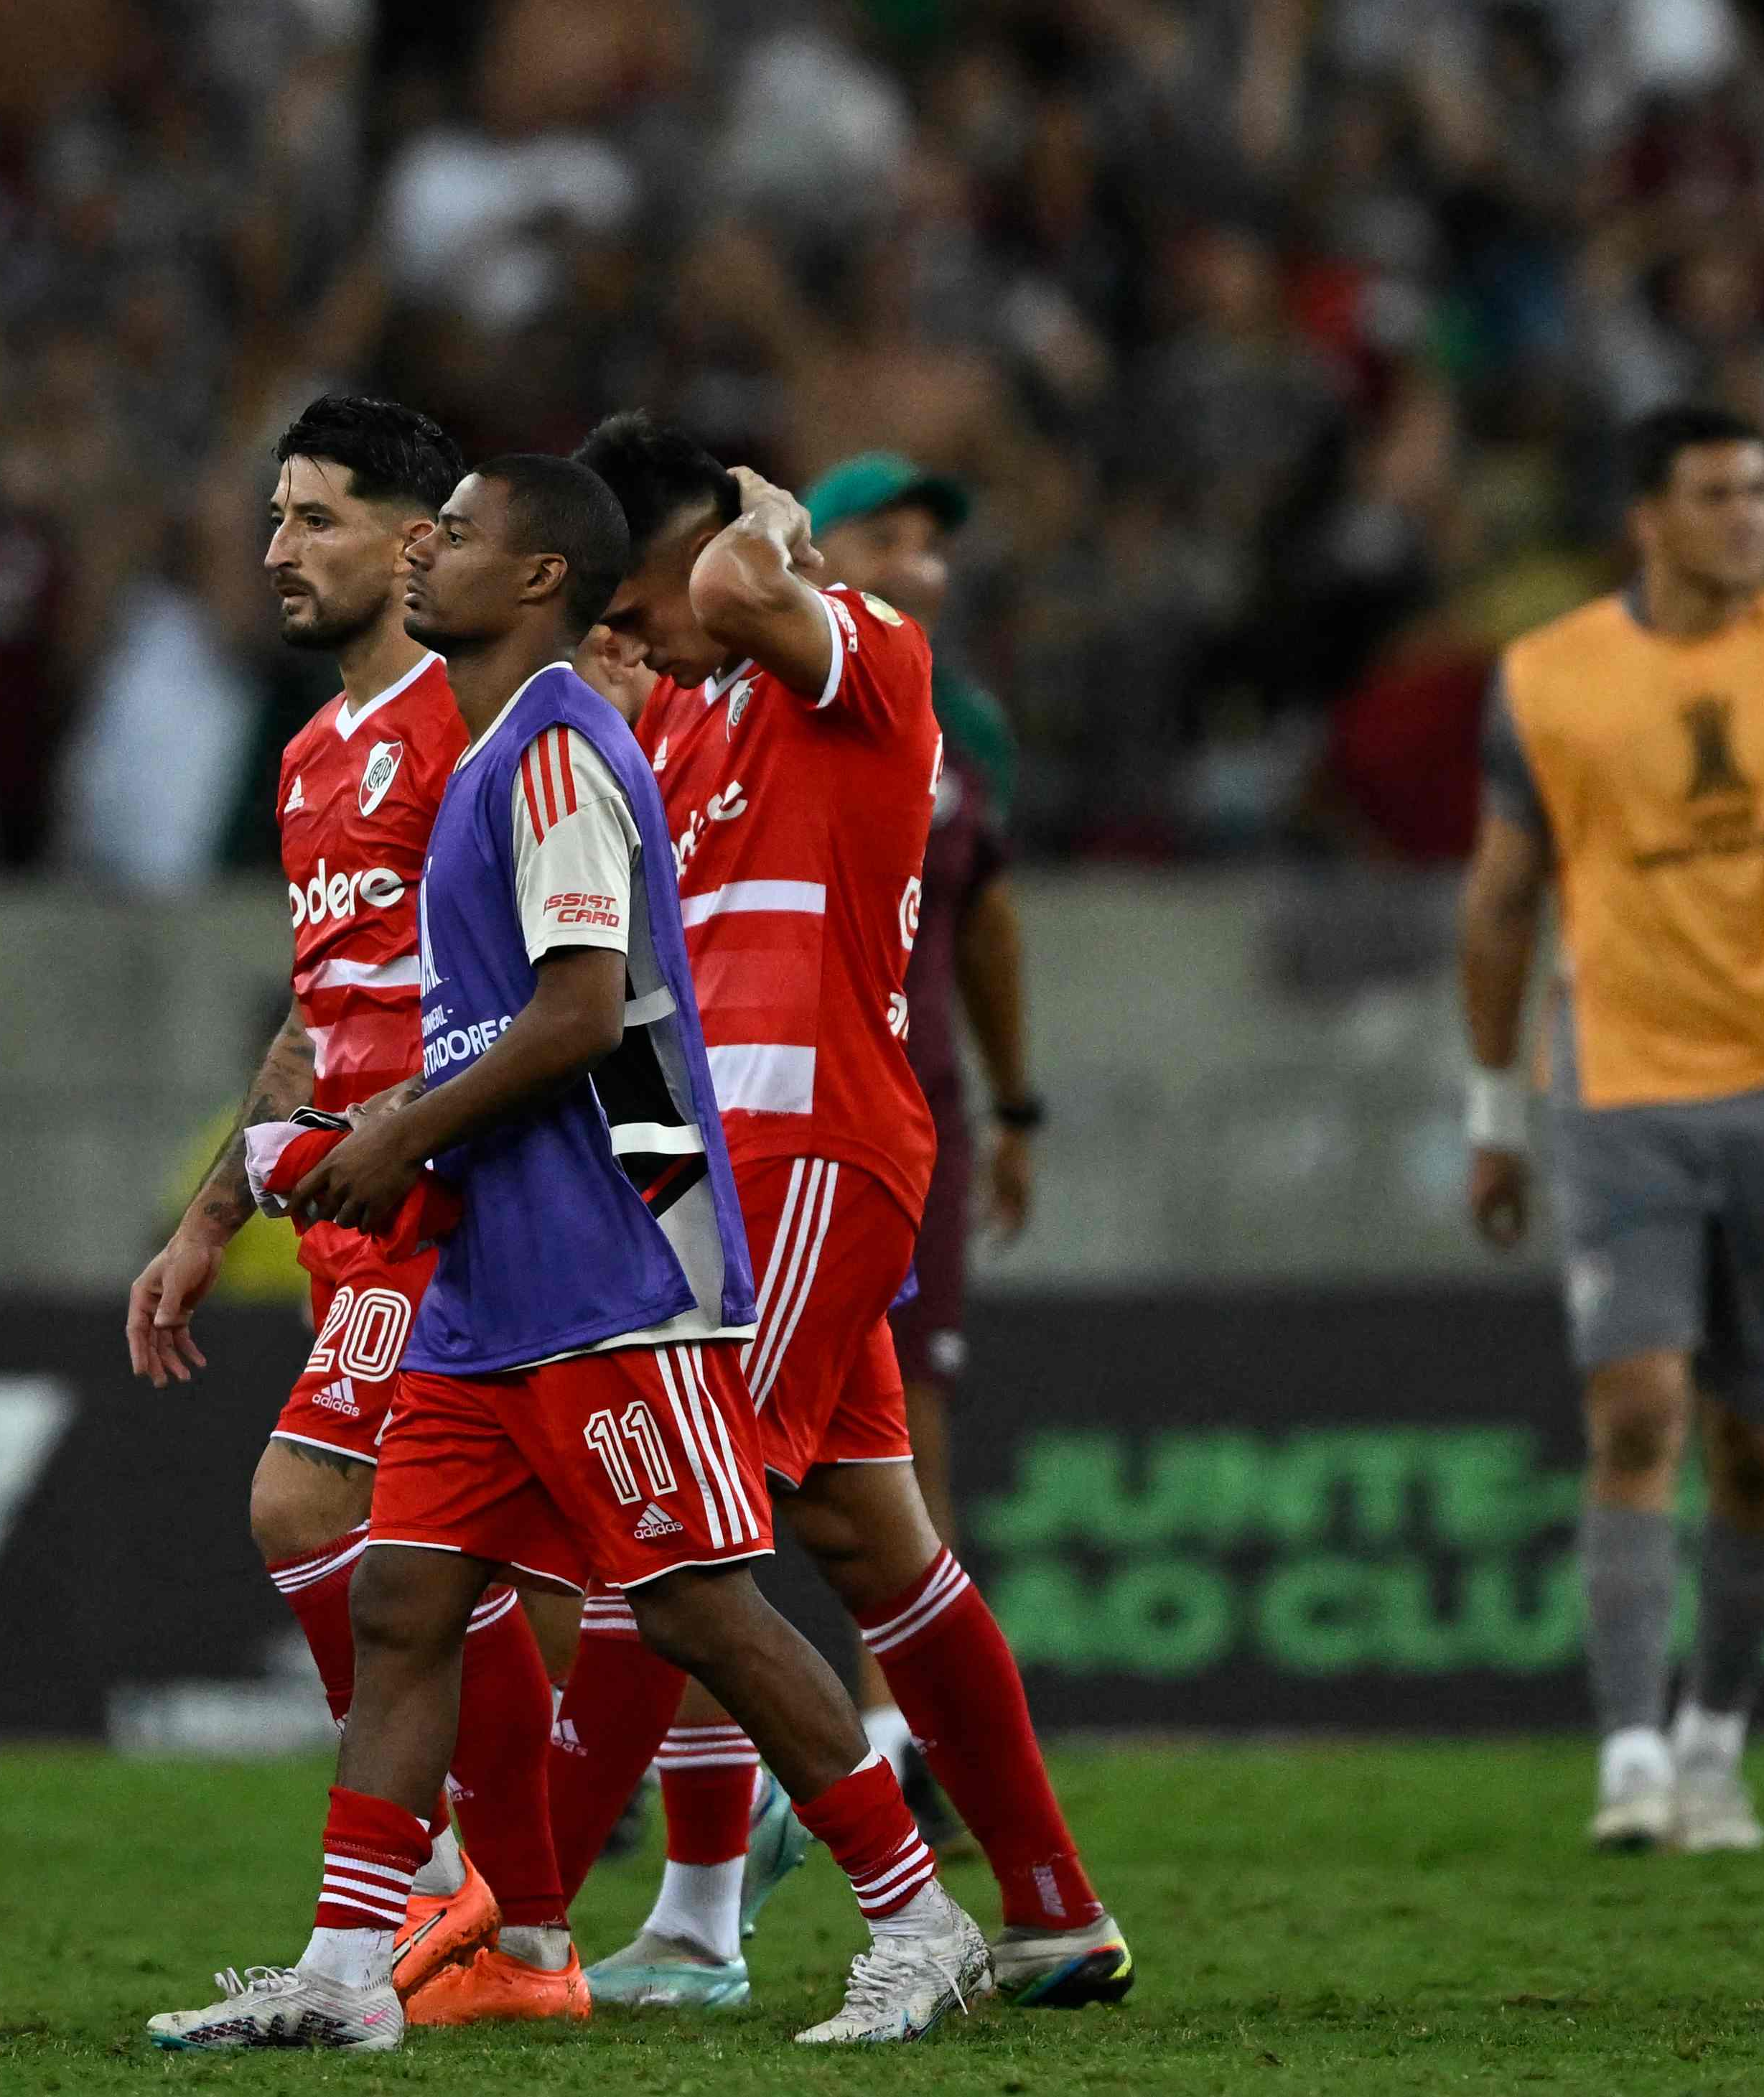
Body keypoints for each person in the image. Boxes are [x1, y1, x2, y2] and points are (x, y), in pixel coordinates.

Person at [144, 455, 987, 2050]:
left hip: (613, 1262)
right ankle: (346, 1972)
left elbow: (583, 1014)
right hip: (494, 1274)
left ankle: (917, 1918)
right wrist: (369, 1133)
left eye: (458, 536)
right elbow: (490, 1025)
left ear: (541, 579)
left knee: (699, 1609)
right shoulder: (488, 757)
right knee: (402, 1601)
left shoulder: (551, 753)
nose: (423, 554)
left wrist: (397, 1136)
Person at [546, 414, 1126, 2015]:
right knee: (882, 1548)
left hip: (809, 1152)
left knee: (670, 1538)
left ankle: (509, 1925)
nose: (630, 637)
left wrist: (764, 516)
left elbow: (741, 587)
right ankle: (1050, 1910)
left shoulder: (860, 651)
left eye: (631, 601)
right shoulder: (681, 718)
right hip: (713, 1170)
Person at [1459, 403, 1764, 1855]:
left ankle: (1714, 1742)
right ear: (1647, 519)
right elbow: (1501, 901)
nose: (1751, 518)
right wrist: (1492, 1109)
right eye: (1718, 495)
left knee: (1755, 1450)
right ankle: (1627, 1753)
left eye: (1761, 493)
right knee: (1636, 1411)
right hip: (1618, 1090)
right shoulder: (1547, 678)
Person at [123, 396, 545, 2005]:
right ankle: (529, 1927)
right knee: (514, 1575)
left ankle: (433, 1884)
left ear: (418, 541)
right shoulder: (310, 756)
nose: (275, 550)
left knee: (308, 1509)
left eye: (315, 519)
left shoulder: (476, 726)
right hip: (341, 1208)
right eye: (274, 518)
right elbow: (315, 1018)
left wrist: (431, 1134)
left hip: (451, 1199)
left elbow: (551, 977)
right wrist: (206, 1218)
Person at [805, 455, 1040, 1540]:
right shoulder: (743, 694)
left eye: (929, 545)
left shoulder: (969, 724)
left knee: (908, 1419)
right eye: (881, 539)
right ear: (809, 560)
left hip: (915, 1112)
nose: (917, 566)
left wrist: (1015, 1104)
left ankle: (907, 1663)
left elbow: (982, 920)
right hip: (768, 1105)